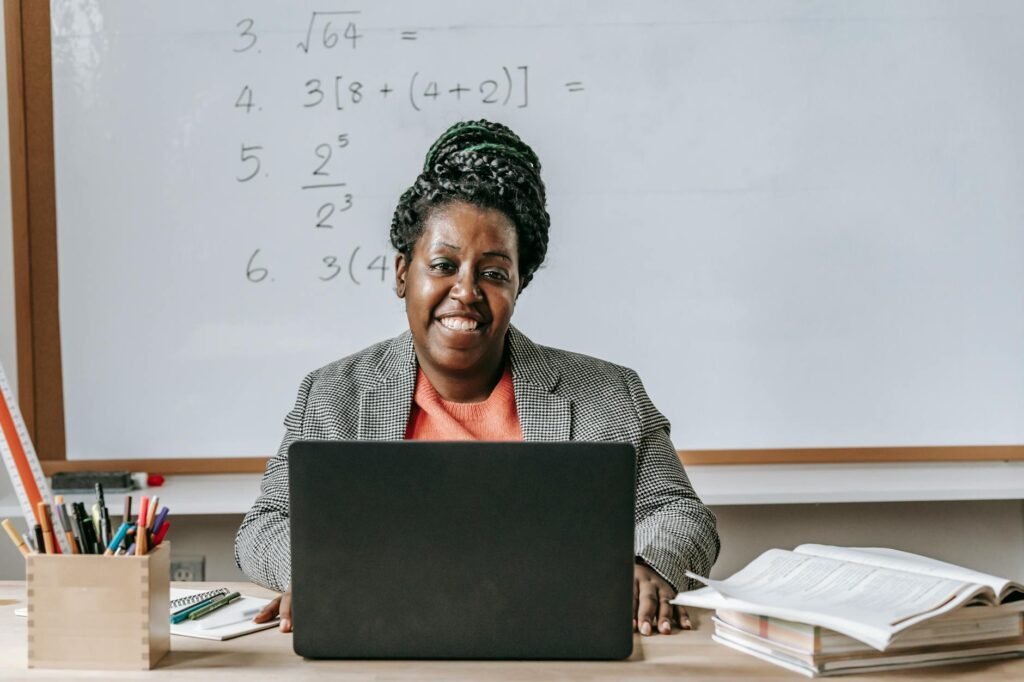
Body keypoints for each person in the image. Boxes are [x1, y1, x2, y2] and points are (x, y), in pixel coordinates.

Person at [235, 119, 720, 637]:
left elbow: (681, 514)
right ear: (403, 273)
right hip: (386, 643)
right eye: (443, 265)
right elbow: (263, 526)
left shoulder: (608, 394)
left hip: (554, 646)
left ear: (518, 285)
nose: (465, 291)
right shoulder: (335, 394)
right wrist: (318, 568)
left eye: (492, 273)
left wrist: (648, 564)